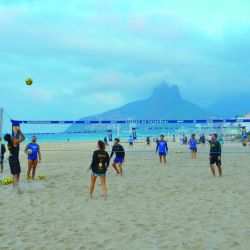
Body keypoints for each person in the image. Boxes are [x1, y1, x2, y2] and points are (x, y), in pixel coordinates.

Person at [4, 128, 25, 192]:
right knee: (16, 174)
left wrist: (17, 132)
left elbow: (15, 138)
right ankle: (18, 190)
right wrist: (20, 132)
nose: (12, 135)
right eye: (11, 135)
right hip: (15, 160)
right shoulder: (14, 142)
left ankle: (14, 188)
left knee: (16, 174)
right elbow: (23, 138)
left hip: (11, 159)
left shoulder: (9, 143)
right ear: (10, 138)